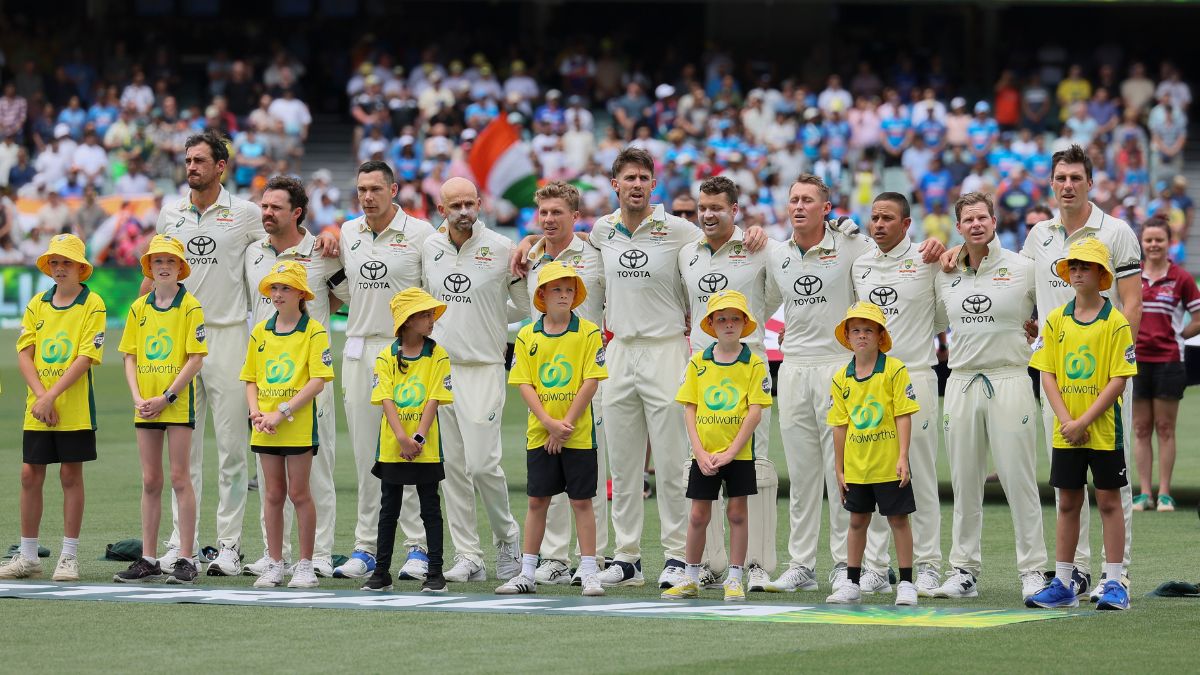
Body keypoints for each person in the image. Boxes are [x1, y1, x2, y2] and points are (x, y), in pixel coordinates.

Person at [1016, 145, 1141, 600]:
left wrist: (1121, 365)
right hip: (1057, 378)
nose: (1067, 185)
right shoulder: (1038, 235)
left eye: (1075, 178)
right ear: (1051, 183)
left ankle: (1118, 576)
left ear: (1090, 183)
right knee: (1067, 485)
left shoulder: (1117, 231)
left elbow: (1132, 302)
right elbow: (1026, 294)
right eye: (1060, 178)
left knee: (1112, 484)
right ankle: (1074, 574)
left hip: (1106, 373)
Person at [152, 130, 265, 575]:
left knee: (234, 449)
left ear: (221, 166)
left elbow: (283, 245)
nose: (191, 167)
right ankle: (182, 543)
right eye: (188, 160)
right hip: (179, 341)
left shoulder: (246, 214)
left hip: (229, 335)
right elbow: (158, 272)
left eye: (200, 160)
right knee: (184, 452)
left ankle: (230, 546)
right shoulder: (170, 213)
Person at [933, 192, 1047, 600]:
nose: (976, 224)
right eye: (968, 219)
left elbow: (1053, 311)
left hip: (1011, 377)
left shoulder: (1023, 268)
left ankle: (1033, 571)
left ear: (994, 222)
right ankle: (963, 570)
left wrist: (1037, 332)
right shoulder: (945, 271)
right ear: (959, 227)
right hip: (961, 380)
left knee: (1020, 480)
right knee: (964, 482)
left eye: (983, 217)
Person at [331, 161, 436, 582]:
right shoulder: (347, 232)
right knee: (364, 456)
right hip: (359, 348)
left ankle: (418, 548)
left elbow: (433, 293)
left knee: (405, 450)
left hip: (403, 350)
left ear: (394, 190)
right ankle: (366, 547)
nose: (368, 196)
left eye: (376, 188)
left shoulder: (421, 233)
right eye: (361, 189)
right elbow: (341, 288)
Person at [677, 176, 781, 592]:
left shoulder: (759, 248)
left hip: (748, 367)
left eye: (716, 207)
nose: (707, 213)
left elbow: (773, 297)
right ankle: (706, 564)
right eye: (702, 206)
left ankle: (754, 564)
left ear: (734, 210)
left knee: (754, 468)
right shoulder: (687, 253)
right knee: (702, 466)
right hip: (703, 368)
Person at [242, 176, 347, 579]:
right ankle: (276, 555)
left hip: (307, 375)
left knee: (314, 470)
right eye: (264, 206)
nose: (266, 213)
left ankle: (318, 554)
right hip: (266, 371)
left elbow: (346, 294)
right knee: (270, 475)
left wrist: (316, 311)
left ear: (297, 212)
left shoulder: (320, 250)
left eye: (275, 207)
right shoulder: (254, 251)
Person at [422, 177, 526, 582]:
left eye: (470, 203)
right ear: (441, 208)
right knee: (453, 469)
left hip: (484, 367)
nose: (464, 211)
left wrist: (489, 316)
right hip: (442, 369)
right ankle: (469, 555)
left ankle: (508, 539)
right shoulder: (429, 248)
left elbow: (523, 304)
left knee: (483, 465)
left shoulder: (501, 248)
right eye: (455, 205)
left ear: (480, 203)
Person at [1027, 239, 1136, 611]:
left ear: (1101, 274)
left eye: (1085, 266)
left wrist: (1084, 420)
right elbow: (1047, 373)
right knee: (1068, 502)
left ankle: (1115, 582)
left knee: (1109, 502)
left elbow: (1118, 379)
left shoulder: (1116, 322)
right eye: (1073, 266)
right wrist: (1067, 421)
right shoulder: (1056, 319)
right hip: (1066, 430)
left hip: (1103, 430)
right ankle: (1062, 582)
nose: (1077, 272)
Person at [851, 193, 945, 596]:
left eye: (888, 218)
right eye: (874, 217)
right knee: (873, 472)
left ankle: (927, 565)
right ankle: (875, 566)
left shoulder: (927, 261)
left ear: (907, 224)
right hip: (871, 381)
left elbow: (943, 315)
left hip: (915, 375)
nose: (879, 224)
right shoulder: (861, 264)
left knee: (917, 474)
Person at [515, 182, 609, 586]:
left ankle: (593, 561)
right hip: (545, 378)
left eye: (558, 213)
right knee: (543, 493)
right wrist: (528, 242)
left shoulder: (596, 252)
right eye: (544, 214)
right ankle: (550, 559)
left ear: (575, 215)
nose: (550, 220)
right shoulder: (530, 255)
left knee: (587, 484)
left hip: (588, 372)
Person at [0, 234, 105, 581]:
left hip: (73, 408)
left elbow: (86, 356)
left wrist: (51, 396)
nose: (60, 269)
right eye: (55, 263)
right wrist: (41, 396)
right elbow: (24, 353)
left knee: (70, 475)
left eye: (67, 263)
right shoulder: (37, 304)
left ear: (80, 267)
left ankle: (69, 556)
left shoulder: (93, 304)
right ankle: (28, 555)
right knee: (30, 474)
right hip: (38, 409)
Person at [498, 263, 608, 597]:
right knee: (537, 501)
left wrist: (565, 425)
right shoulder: (528, 334)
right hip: (539, 434)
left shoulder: (588, 332)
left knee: (581, 502)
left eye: (569, 290)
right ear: (541, 295)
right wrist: (548, 423)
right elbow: (524, 383)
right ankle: (527, 572)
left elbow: (591, 381)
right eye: (556, 289)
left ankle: (589, 571)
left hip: (578, 434)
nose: (563, 295)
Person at [661, 291, 772, 602]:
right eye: (721, 318)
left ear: (744, 323)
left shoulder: (753, 363)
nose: (728, 324)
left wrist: (732, 451)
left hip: (738, 455)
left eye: (735, 318)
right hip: (705, 455)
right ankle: (691, 577)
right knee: (698, 515)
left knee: (737, 513)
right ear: (710, 324)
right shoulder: (698, 362)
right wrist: (699, 452)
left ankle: (735, 578)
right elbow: (689, 408)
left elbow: (754, 411)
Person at [114, 235, 206, 584]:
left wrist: (166, 397)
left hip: (175, 404)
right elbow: (129, 356)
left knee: (180, 478)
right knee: (150, 480)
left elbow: (195, 358)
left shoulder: (190, 306)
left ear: (180, 267)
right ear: (149, 268)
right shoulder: (139, 308)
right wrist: (138, 397)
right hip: (145, 406)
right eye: (157, 262)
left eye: (170, 262)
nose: (163, 267)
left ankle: (186, 558)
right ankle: (149, 558)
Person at [240, 261, 334, 589]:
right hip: (265, 426)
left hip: (295, 425)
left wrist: (282, 412)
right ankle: (275, 563)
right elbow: (250, 378)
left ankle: (305, 565)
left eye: (285, 288)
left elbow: (318, 381)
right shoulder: (260, 331)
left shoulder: (314, 331)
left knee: (299, 492)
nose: (277, 295)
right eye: (274, 288)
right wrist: (256, 413)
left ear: (300, 294)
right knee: (273, 493)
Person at [825, 302, 919, 606]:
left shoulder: (894, 369)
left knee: (899, 521)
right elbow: (840, 426)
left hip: (889, 465)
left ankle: (906, 583)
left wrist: (903, 456)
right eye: (856, 330)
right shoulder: (841, 378)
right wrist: (839, 469)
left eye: (868, 330)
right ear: (848, 337)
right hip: (857, 467)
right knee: (856, 522)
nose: (862, 335)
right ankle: (851, 582)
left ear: (880, 336)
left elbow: (903, 415)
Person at [360, 288, 453, 594]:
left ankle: (435, 573)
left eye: (430, 315)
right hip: (392, 446)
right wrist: (401, 438)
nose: (431, 320)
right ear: (408, 320)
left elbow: (435, 398)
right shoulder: (387, 355)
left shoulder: (437, 354)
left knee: (430, 507)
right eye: (425, 315)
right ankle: (381, 573)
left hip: (424, 448)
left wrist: (417, 437)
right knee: (389, 508)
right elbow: (384, 397)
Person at [1131, 217, 1200, 512]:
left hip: (1169, 362)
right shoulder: (1131, 276)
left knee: (1165, 428)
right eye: (1149, 240)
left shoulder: (1181, 278)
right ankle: (1144, 493)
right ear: (1141, 244)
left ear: (1169, 242)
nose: (1154, 244)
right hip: (1135, 362)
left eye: (1159, 239)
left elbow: (1197, 317)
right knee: (1141, 428)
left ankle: (1165, 494)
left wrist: (1179, 335)